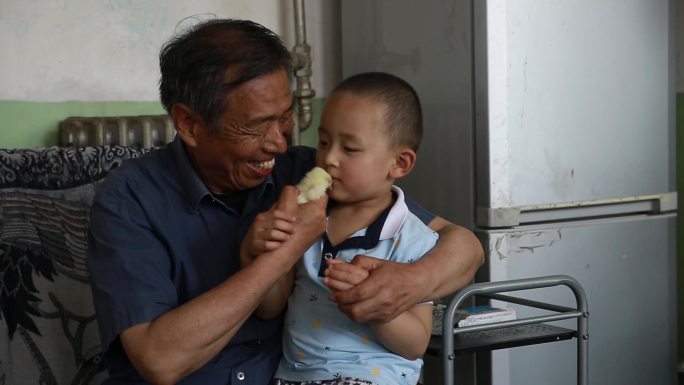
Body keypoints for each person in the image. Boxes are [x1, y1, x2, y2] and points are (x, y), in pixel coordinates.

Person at [87, 18, 483, 385]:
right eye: (257, 126)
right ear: (189, 124)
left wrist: (408, 284)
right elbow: (159, 360)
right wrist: (283, 251)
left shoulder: (305, 172)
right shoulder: (129, 201)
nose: (279, 143)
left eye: (285, 118)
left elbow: (462, 244)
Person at [244, 72, 438, 385]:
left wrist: (371, 301)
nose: (329, 158)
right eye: (323, 142)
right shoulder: (306, 217)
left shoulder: (414, 239)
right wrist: (259, 252)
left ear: (399, 163)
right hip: (294, 378)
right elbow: (270, 307)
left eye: (349, 149)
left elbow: (414, 344)